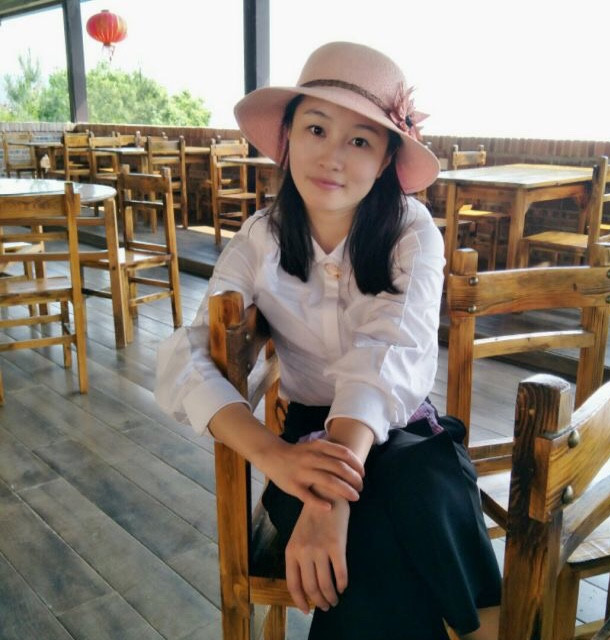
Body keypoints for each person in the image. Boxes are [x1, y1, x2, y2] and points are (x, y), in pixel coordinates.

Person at [155, 41, 501, 640]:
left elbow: (387, 354)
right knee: (394, 520)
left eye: (360, 140)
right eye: (316, 128)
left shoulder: (412, 231)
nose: (333, 157)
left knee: (415, 484)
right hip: (302, 441)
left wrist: (331, 496)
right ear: (288, 136)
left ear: (386, 159)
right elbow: (188, 355)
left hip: (398, 428)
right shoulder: (260, 238)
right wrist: (276, 457)